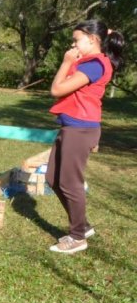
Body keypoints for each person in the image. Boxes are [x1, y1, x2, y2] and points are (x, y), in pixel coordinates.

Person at [46, 20, 124, 254]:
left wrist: (66, 61)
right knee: (52, 178)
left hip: (80, 129)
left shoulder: (94, 65)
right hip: (72, 127)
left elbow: (57, 90)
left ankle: (78, 237)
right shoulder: (88, 62)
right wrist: (72, 60)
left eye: (76, 39)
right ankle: (83, 226)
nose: (73, 44)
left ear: (92, 40)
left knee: (70, 183)